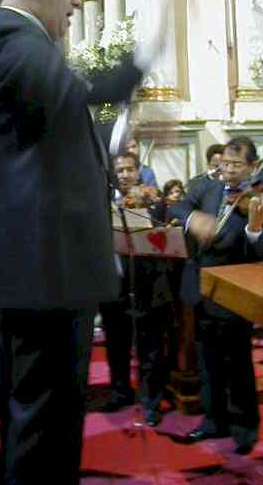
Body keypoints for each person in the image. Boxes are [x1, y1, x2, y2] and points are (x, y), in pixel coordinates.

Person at [0, 0, 165, 485]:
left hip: (48, 269)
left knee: (53, 424)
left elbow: (57, 128)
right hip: (43, 272)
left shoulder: (20, 45)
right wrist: (142, 59)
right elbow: (79, 89)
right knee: (41, 427)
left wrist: (116, 133)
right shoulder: (10, 37)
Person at [170, 137, 263, 455]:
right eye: (225, 163)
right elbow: (178, 205)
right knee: (206, 360)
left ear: (252, 166)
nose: (228, 171)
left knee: (237, 362)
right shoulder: (205, 188)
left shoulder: (258, 198)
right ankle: (213, 420)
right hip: (200, 286)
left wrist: (254, 226)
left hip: (235, 290)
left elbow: (261, 248)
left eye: (236, 165)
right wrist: (195, 219)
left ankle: (244, 426)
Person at [100, 153, 174, 426]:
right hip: (114, 285)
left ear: (139, 172)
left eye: (130, 170)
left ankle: (150, 402)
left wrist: (151, 210)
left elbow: (165, 238)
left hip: (149, 286)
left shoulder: (155, 203)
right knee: (116, 345)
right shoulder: (103, 204)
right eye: (119, 171)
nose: (124, 175)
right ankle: (119, 392)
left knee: (150, 349)